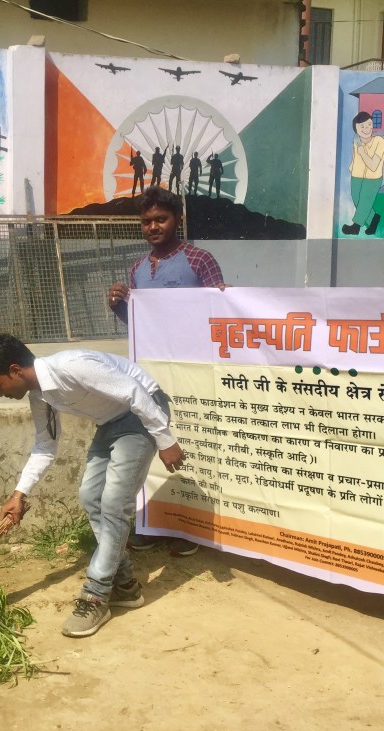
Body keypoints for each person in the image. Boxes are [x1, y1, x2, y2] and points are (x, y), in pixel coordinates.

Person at [0, 334, 186, 638]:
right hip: (112, 423)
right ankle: (125, 584)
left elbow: (134, 392)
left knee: (115, 503)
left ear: (15, 370)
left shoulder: (72, 366)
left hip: (142, 413)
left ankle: (95, 595)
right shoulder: (40, 396)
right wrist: (19, 494)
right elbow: (45, 446)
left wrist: (165, 440)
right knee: (91, 496)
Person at [107, 186, 227, 556]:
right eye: (147, 221)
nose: (153, 227)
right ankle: (155, 523)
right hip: (153, 375)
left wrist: (227, 300)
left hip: (195, 371)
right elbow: (140, 325)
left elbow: (221, 313)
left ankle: (191, 528)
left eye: (161, 219)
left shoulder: (199, 260)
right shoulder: (138, 269)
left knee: (194, 445)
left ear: (177, 220)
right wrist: (119, 306)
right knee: (154, 443)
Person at [342, 111, 384, 236]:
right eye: (362, 127)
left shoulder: (380, 142)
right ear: (356, 129)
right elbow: (355, 158)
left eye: (369, 125)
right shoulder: (356, 142)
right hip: (357, 176)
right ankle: (374, 219)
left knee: (365, 201)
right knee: (357, 200)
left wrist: (362, 151)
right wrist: (352, 169)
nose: (366, 129)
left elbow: (373, 166)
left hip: (373, 177)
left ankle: (355, 227)